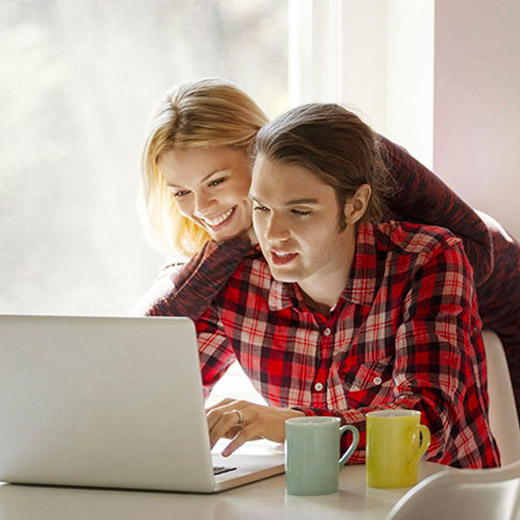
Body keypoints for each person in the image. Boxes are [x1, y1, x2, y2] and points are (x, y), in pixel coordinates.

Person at [136, 78, 520, 422]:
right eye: (181, 193)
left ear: (258, 149)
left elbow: (474, 251)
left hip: (499, 291)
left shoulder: (345, 153)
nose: (201, 209)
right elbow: (145, 340)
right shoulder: (245, 255)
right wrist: (233, 245)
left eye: (216, 182)